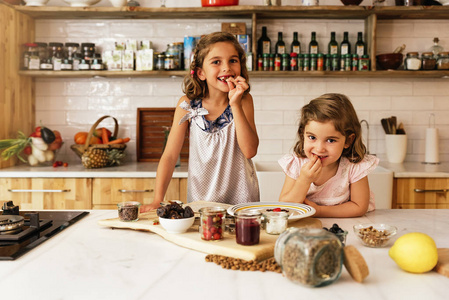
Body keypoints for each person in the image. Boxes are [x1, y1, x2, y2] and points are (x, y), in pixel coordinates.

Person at [141, 32, 259, 212]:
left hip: (241, 203)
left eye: (233, 60)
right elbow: (170, 156)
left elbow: (250, 151)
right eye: (216, 62)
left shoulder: (244, 101)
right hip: (201, 202)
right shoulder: (186, 105)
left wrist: (234, 104)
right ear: (201, 73)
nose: (226, 68)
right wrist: (158, 199)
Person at [278, 93, 379, 218]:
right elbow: (284, 207)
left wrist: (319, 211)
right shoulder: (297, 163)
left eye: (330, 140)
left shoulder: (354, 166)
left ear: (348, 141)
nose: (319, 149)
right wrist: (303, 180)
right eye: (312, 137)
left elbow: (359, 207)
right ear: (302, 134)